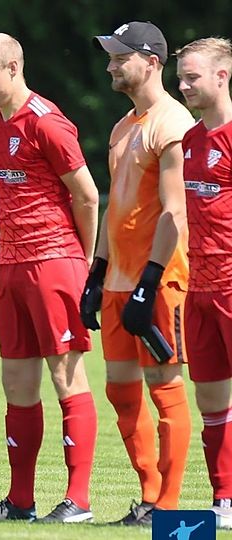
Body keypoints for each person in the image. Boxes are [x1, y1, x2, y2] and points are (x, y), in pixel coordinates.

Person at [0, 33, 100, 523]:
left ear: (14, 67)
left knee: (66, 377)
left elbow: (86, 196)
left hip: (54, 262)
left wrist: (82, 263)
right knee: (16, 383)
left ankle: (78, 501)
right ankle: (20, 501)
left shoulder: (47, 121)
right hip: (10, 265)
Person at [86, 21, 195, 525]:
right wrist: (96, 274)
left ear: (151, 62)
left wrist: (150, 281)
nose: (110, 65)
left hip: (159, 280)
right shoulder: (122, 125)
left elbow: (174, 212)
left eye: (119, 57)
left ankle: (169, 512)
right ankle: (149, 498)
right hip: (117, 282)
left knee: (164, 388)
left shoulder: (173, 124)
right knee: (120, 389)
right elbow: (116, 206)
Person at [175, 36, 232, 529]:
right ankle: (223, 501)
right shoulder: (191, 141)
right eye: (181, 77)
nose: (184, 85)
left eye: (192, 77)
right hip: (199, 289)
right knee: (211, 399)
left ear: (222, 76)